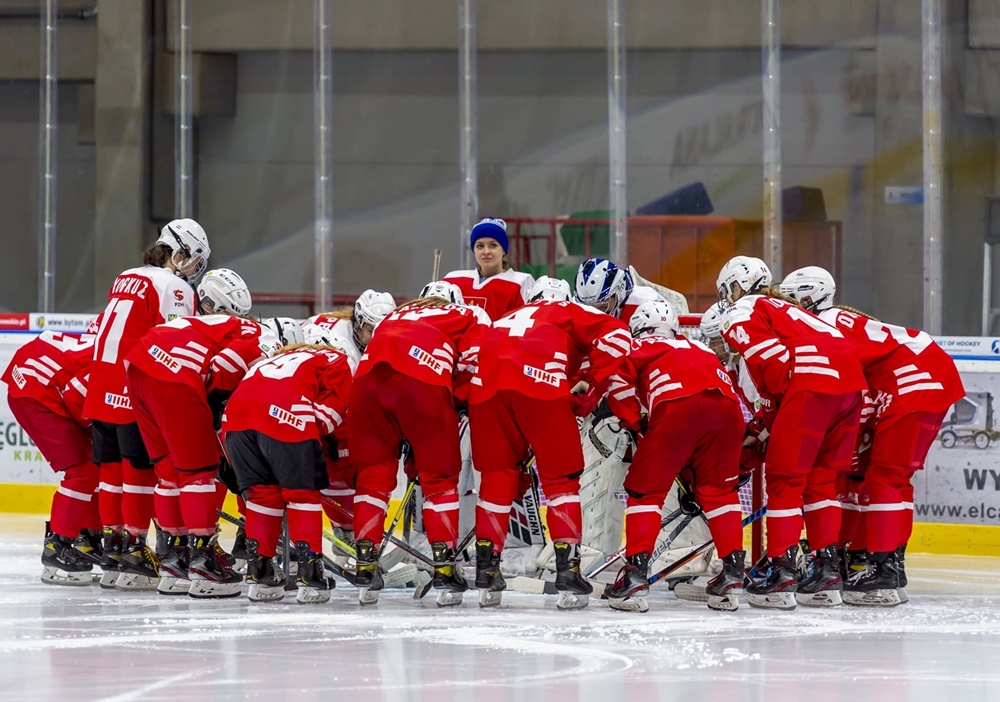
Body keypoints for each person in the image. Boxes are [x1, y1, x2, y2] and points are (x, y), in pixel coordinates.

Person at [780, 265, 964, 606]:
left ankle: (885, 570)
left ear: (808, 297)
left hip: (913, 381)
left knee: (885, 477)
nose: (787, 308)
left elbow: (850, 387)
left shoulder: (825, 326)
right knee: (871, 476)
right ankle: (870, 560)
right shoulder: (832, 321)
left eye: (791, 300)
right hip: (920, 377)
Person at [470, 275, 639, 610]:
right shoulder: (570, 310)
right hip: (540, 383)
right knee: (561, 481)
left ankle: (486, 571)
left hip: (485, 389)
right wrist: (591, 382)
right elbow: (619, 336)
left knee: (497, 478)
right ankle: (568, 572)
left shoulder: (505, 318)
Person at [717, 256, 866, 610]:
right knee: (822, 481)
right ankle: (826, 570)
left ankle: (781, 571)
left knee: (784, 481)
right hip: (849, 386)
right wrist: (771, 422)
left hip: (810, 385)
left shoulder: (743, 309)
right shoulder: (785, 306)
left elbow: (772, 365)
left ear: (736, 285)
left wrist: (775, 416)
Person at [124, 269, 282, 598]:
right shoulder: (256, 334)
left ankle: (173, 558)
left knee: (168, 473)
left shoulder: (205, 322)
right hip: (175, 376)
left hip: (140, 363)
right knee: (199, 472)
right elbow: (223, 375)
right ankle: (203, 560)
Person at [83, 218, 209, 590]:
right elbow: (177, 339)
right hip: (130, 385)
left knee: (111, 472)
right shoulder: (172, 285)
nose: (191, 269)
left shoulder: (125, 275)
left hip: (100, 382)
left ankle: (116, 550)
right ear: (178, 253)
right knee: (139, 472)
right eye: (191, 260)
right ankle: (137, 552)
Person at [349, 280, 490, 607]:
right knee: (440, 481)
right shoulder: (470, 312)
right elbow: (473, 360)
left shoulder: (396, 315)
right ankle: (444, 567)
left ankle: (366, 562)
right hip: (422, 384)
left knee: (373, 478)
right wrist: (460, 400)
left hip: (367, 383)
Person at [605, 299, 746, 613]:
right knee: (719, 493)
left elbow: (616, 382)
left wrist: (635, 423)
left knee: (645, 493)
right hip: (727, 409)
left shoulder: (640, 346)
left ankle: (634, 576)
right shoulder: (700, 348)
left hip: (677, 405)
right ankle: (732, 572)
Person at [223, 340, 354, 604]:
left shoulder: (274, 359)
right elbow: (328, 416)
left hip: (235, 416)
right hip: (284, 412)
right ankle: (310, 574)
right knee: (302, 495)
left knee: (261, 495)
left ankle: (260, 571)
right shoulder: (339, 359)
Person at [2, 322, 100, 585]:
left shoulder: (113, 348)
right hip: (36, 391)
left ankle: (87, 539)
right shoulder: (113, 362)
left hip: (36, 378)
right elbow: (75, 399)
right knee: (85, 470)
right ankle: (59, 545)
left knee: (96, 466)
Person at [303, 290, 395, 545]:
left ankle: (345, 529)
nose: (375, 339)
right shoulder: (340, 348)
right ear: (357, 322)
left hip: (312, 398)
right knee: (338, 459)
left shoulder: (362, 335)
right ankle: (343, 530)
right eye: (370, 331)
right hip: (303, 399)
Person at [442, 217, 534, 320]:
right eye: (480, 246)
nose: (486, 251)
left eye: (493, 245)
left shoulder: (520, 284)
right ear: (474, 250)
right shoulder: (452, 281)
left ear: (503, 250)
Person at [574, 257, 664, 323]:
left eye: (603, 307)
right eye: (586, 308)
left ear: (620, 292)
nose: (594, 315)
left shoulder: (646, 304)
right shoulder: (574, 305)